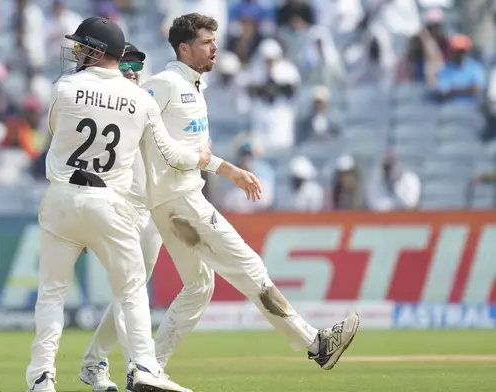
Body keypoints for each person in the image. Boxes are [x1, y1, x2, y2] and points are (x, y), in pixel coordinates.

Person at [138, 12, 358, 389]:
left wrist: (230, 171)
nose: (214, 48)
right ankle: (316, 344)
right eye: (206, 42)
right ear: (184, 47)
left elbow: (194, 150)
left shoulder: (192, 85)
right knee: (250, 267)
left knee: (199, 286)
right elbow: (137, 130)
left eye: (214, 40)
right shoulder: (164, 83)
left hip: (176, 199)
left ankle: (148, 369)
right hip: (180, 199)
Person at [25, 17, 212, 392]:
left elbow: (56, 128)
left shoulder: (64, 86)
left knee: (52, 293)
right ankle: (143, 367)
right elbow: (172, 155)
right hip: (111, 203)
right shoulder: (141, 99)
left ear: (98, 50)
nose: (76, 51)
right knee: (130, 291)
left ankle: (41, 377)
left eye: (82, 46)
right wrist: (201, 159)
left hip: (61, 198)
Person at [78, 42, 164, 392]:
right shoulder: (96, 106)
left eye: (135, 64)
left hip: (151, 210)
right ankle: (139, 372)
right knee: (132, 292)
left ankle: (93, 362)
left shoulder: (148, 102)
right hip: (115, 210)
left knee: (132, 293)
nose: (131, 69)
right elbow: (80, 163)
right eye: (124, 62)